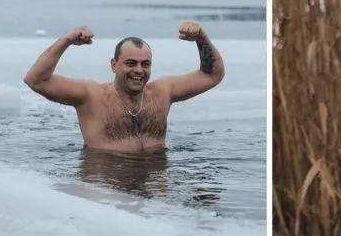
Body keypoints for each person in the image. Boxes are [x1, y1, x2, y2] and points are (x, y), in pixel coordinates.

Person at [24, 21, 225, 153]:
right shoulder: (91, 96)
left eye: (145, 64)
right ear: (114, 65)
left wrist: (201, 38)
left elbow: (212, 75)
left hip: (155, 188)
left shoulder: (162, 92)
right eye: (131, 63)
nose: (139, 70)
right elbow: (36, 80)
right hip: (107, 188)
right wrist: (66, 41)